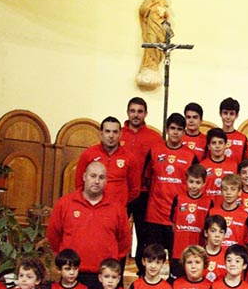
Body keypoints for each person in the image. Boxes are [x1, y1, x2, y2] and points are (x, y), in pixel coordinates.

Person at [48, 160, 132, 289]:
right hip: (73, 273)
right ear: (84, 177)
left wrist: (111, 261)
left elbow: (124, 241)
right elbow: (53, 236)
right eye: (93, 176)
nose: (97, 181)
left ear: (106, 181)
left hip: (103, 276)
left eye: (101, 177)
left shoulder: (117, 207)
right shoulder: (64, 203)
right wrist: (66, 261)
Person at [142, 112, 195, 270]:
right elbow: (146, 179)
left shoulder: (190, 156)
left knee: (176, 261)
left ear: (184, 132)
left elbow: (194, 185)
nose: (175, 132)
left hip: (177, 217)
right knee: (153, 259)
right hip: (154, 215)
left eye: (179, 129)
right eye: (172, 128)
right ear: (166, 129)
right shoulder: (154, 151)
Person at [121, 97, 165, 276]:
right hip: (121, 193)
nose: (136, 115)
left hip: (144, 193)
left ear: (145, 113)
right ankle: (116, 269)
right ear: (127, 112)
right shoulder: (119, 134)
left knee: (143, 235)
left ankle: (142, 272)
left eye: (140, 111)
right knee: (121, 233)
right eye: (133, 111)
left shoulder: (154, 138)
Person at [75, 116, 142, 212]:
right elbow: (79, 184)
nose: (111, 136)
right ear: (101, 133)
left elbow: (134, 190)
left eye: (115, 132)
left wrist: (120, 202)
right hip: (91, 209)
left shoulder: (130, 158)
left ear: (120, 134)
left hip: (118, 211)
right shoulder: (88, 154)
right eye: (107, 131)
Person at [137, 0, 171, 84]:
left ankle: (155, 64)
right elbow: (142, 11)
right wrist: (151, 5)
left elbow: (166, 15)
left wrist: (163, 13)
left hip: (159, 27)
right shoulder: (148, 1)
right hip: (150, 26)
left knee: (159, 46)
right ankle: (149, 63)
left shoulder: (162, 2)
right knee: (151, 44)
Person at [218, 97, 247, 164]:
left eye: (231, 114)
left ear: (236, 115)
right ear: (220, 114)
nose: (228, 117)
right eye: (225, 113)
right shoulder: (214, 137)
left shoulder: (243, 138)